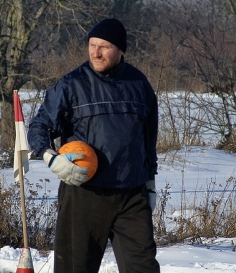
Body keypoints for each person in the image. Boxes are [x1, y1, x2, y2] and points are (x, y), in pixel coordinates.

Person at [27, 18, 160, 273]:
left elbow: (148, 140)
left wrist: (150, 183)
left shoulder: (140, 86)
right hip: (83, 194)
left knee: (143, 268)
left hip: (132, 195)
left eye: (104, 47)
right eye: (92, 45)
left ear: (121, 50)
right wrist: (50, 157)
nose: (96, 53)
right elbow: (39, 126)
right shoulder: (71, 85)